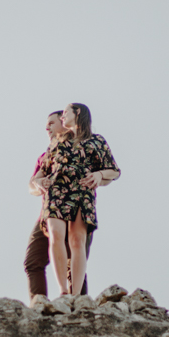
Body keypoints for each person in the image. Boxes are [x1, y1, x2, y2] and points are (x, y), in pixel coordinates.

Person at [35, 103, 119, 296]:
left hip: (82, 191)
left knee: (77, 240)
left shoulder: (96, 140)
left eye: (65, 113)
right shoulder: (58, 141)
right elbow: (40, 172)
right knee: (55, 235)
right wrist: (39, 182)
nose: (62, 117)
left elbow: (114, 170)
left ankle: (76, 294)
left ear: (78, 112)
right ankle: (63, 291)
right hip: (56, 191)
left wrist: (99, 175)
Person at [23, 111, 94, 304]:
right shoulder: (46, 155)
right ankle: (39, 305)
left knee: (75, 262)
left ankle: (77, 304)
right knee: (33, 262)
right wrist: (37, 184)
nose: (47, 127)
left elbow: (104, 172)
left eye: (51, 123)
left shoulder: (85, 147)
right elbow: (32, 185)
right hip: (48, 215)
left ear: (65, 123)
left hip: (76, 211)